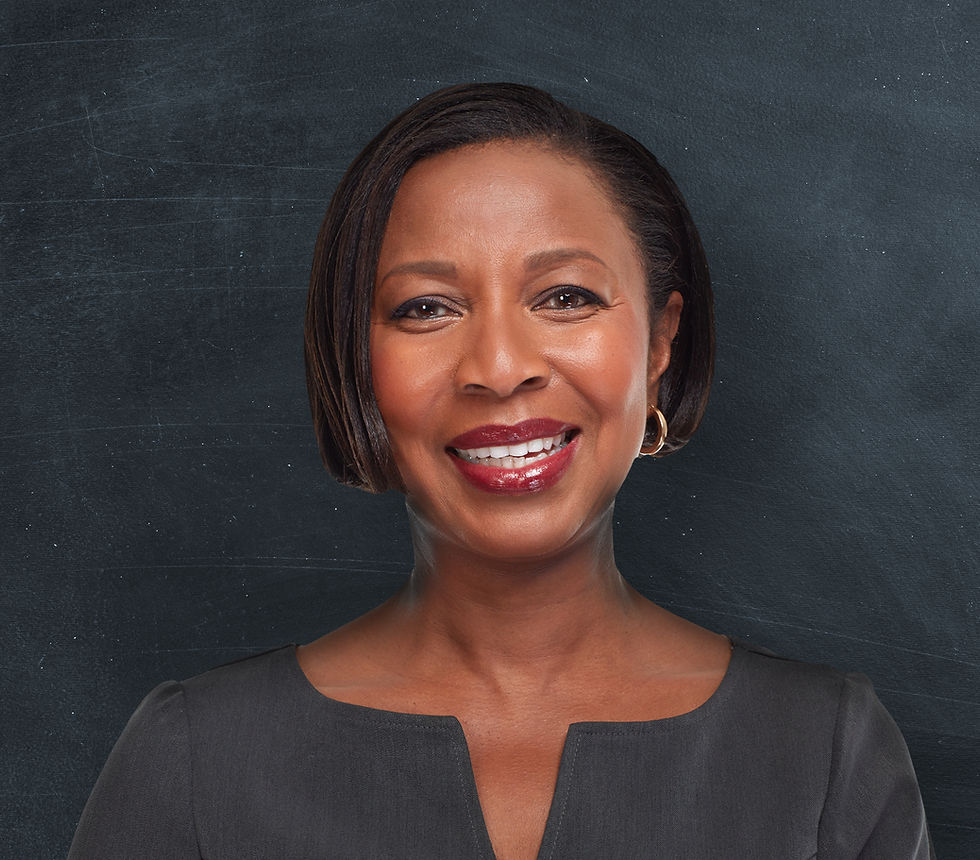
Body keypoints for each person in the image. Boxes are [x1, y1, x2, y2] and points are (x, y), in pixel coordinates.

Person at [69, 83, 932, 859]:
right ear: (358, 358)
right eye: (427, 308)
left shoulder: (824, 754)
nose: (499, 365)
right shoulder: (192, 762)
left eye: (566, 297)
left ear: (662, 339)